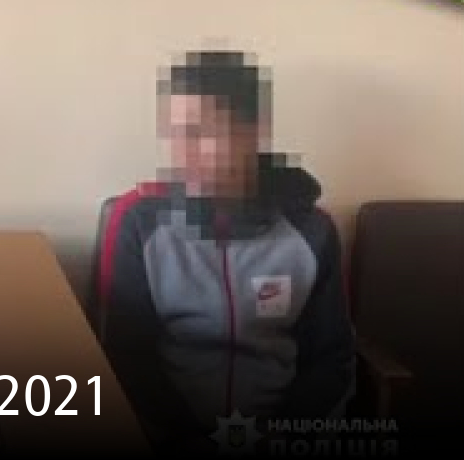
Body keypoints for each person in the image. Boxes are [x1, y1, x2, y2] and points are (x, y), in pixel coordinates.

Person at [99, 50, 355, 453]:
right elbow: (126, 357)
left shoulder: (313, 231)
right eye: (174, 134)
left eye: (198, 133)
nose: (181, 154)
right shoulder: (139, 222)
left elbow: (330, 359)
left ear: (253, 133)